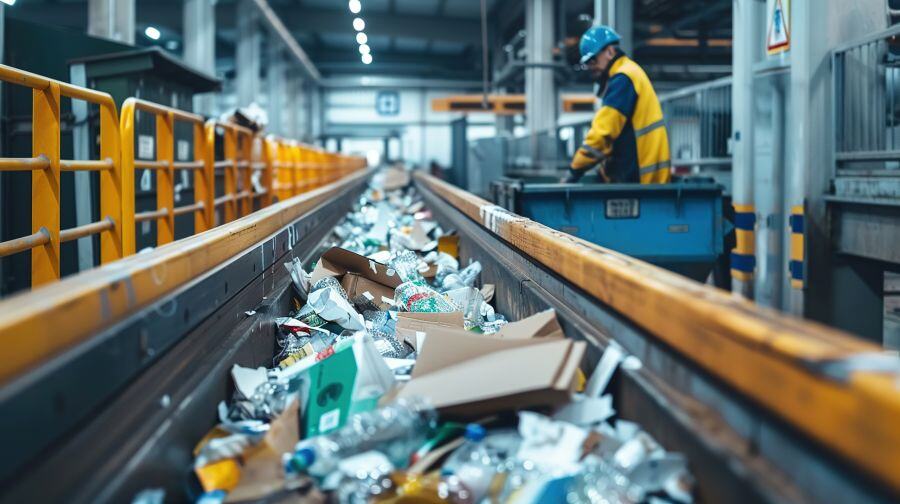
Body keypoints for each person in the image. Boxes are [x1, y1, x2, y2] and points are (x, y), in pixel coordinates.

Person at [562, 26, 671, 184]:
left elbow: (603, 133)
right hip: (640, 176)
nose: (591, 67)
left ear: (610, 52)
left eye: (593, 60)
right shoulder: (628, 73)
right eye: (588, 63)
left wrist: (574, 170)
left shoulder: (623, 79)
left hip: (640, 179)